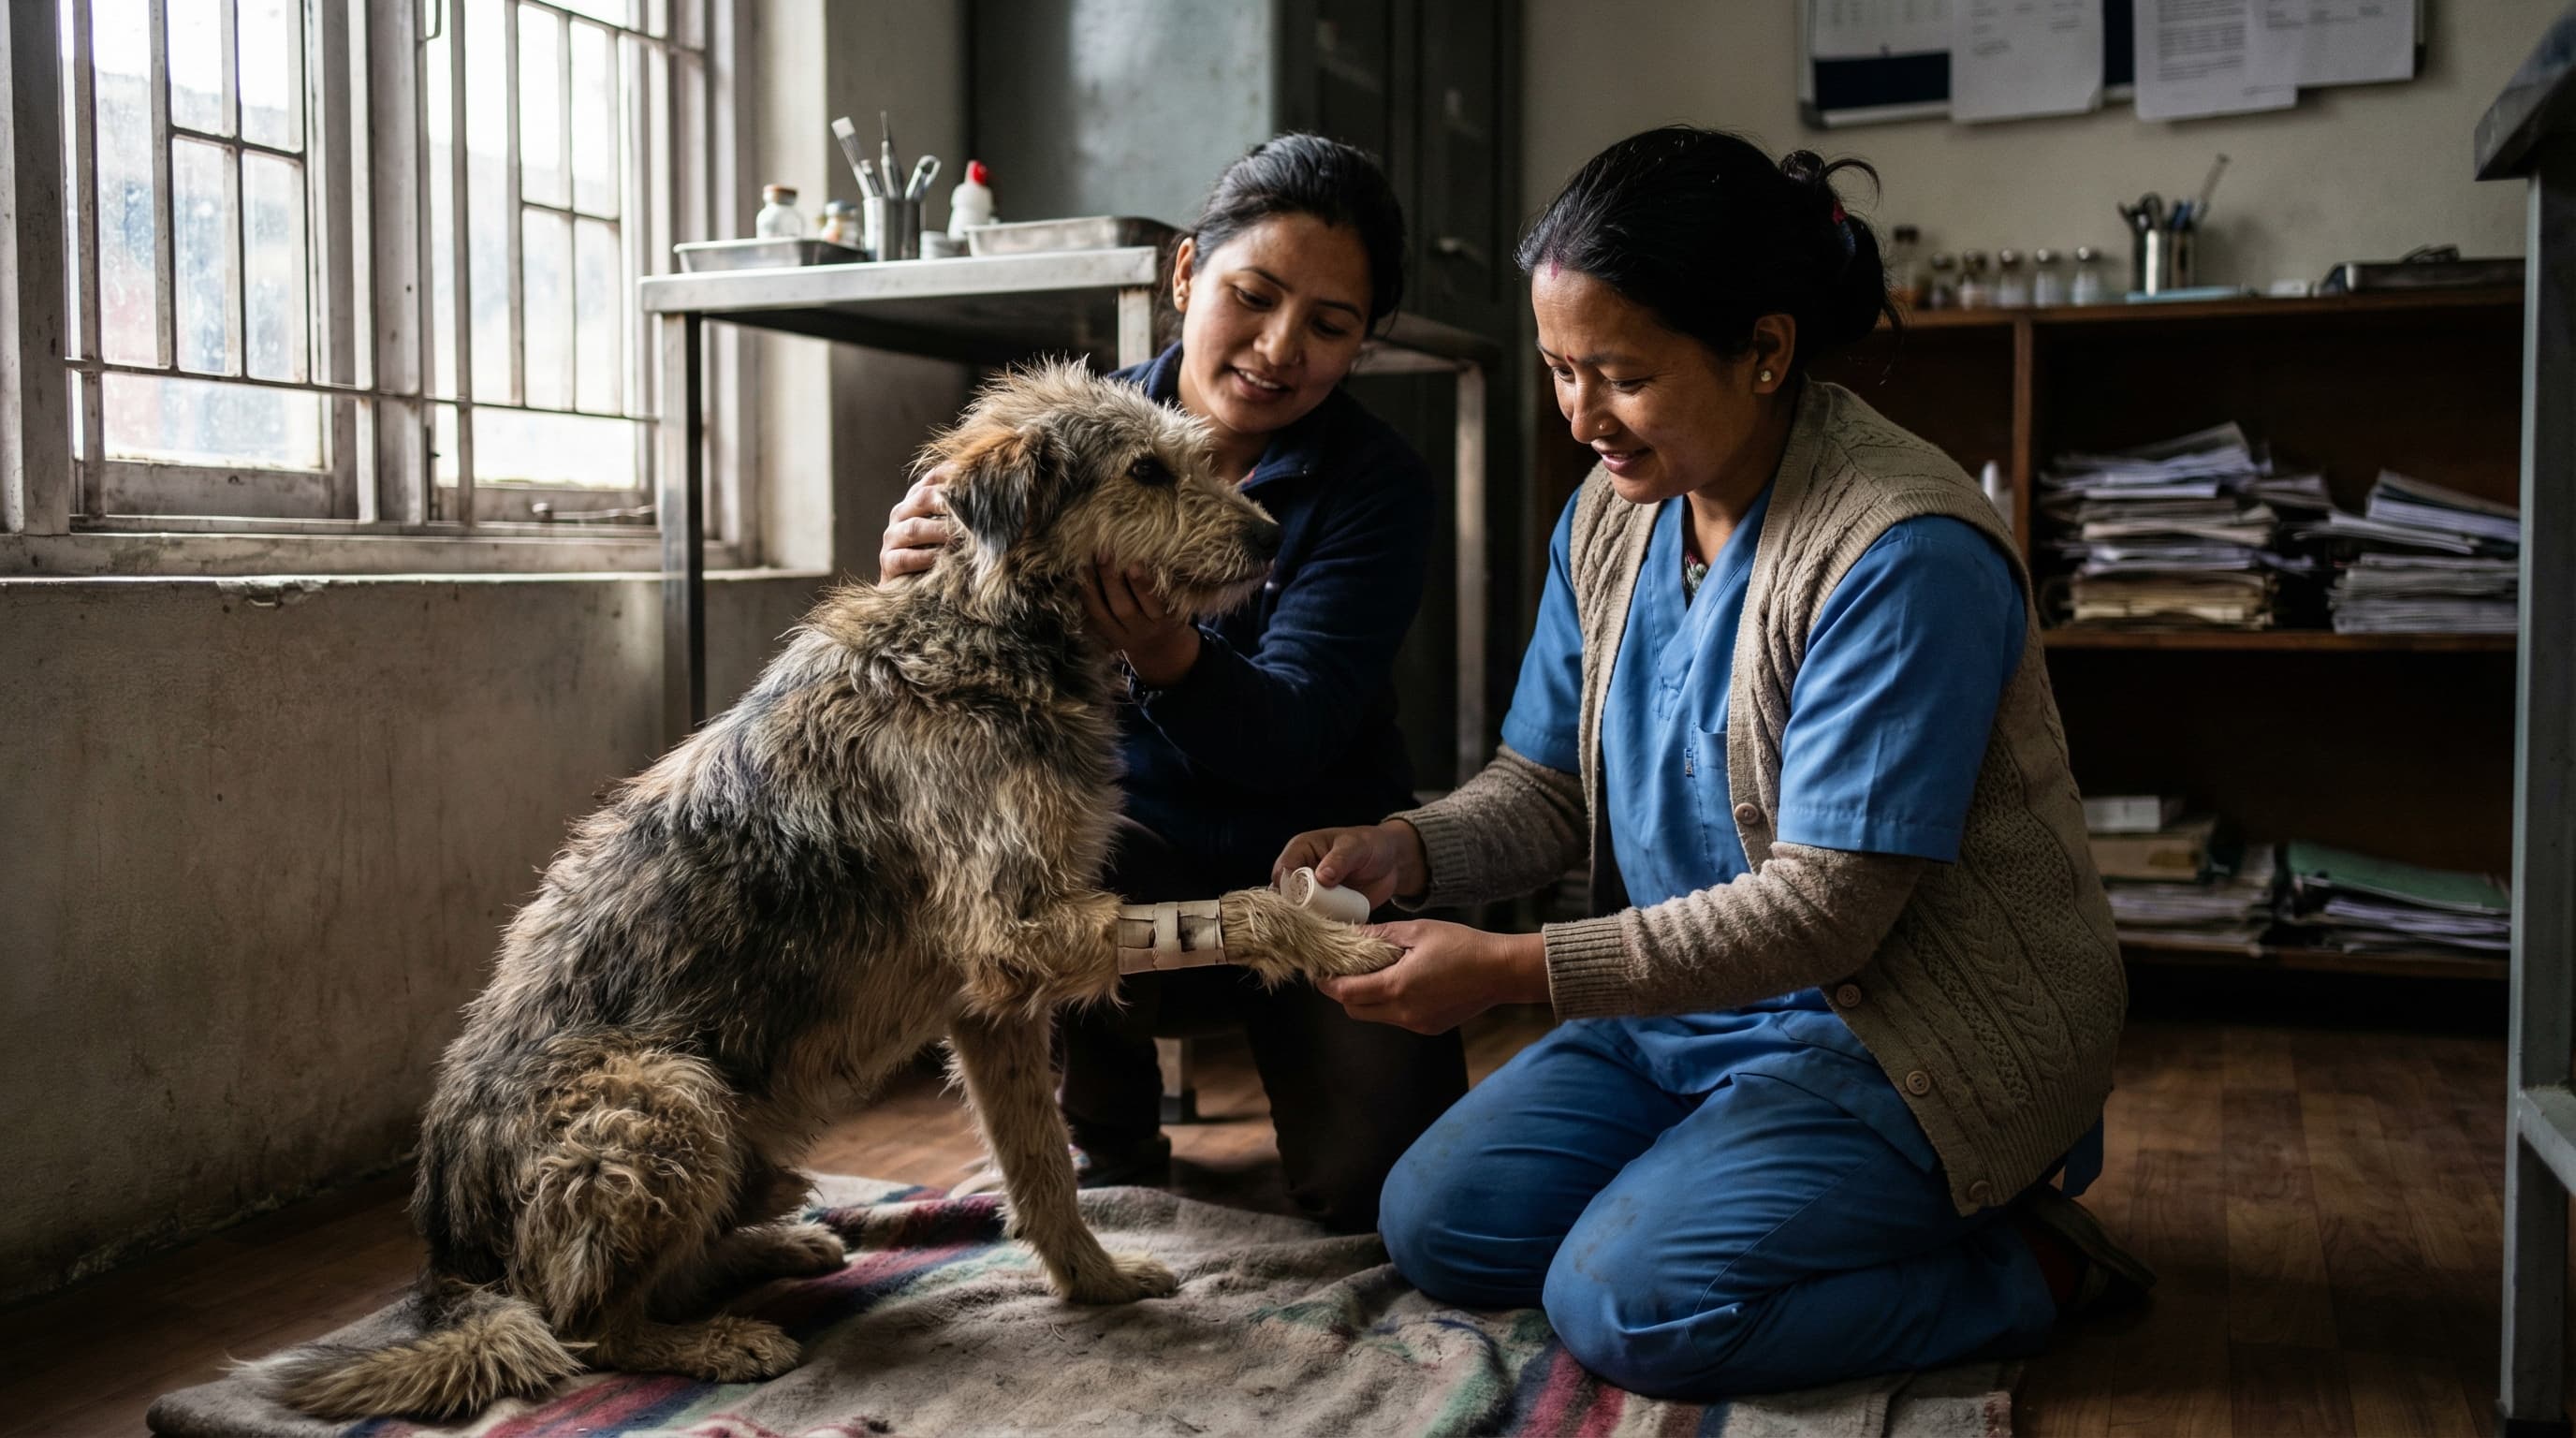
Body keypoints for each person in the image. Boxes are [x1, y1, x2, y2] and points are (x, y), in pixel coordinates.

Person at [1273, 126, 2148, 1397]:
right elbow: (1546, 791)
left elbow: (1828, 915)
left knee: (1625, 1306)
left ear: (1767, 351)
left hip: (1894, 1041)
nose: (1580, 419)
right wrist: (1407, 848)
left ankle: (2033, 1264)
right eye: (1561, 371)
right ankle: (1726, 1167)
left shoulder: (1900, 553)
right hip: (1683, 1016)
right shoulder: (1613, 520)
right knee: (1436, 1224)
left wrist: (1516, 971)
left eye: (1619, 375)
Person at [878, 134, 1467, 1232]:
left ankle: (1276, 1081)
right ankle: (1102, 1126)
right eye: (1254, 295)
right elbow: (958, 689)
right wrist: (922, 566)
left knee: (1380, 1196)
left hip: (1312, 864)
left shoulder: (1377, 488)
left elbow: (1293, 733)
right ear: (1187, 274)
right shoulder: (1065, 440)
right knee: (1033, 853)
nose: (1279, 348)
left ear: (1359, 347)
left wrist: (1162, 653)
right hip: (1119, 853)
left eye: (1329, 326)